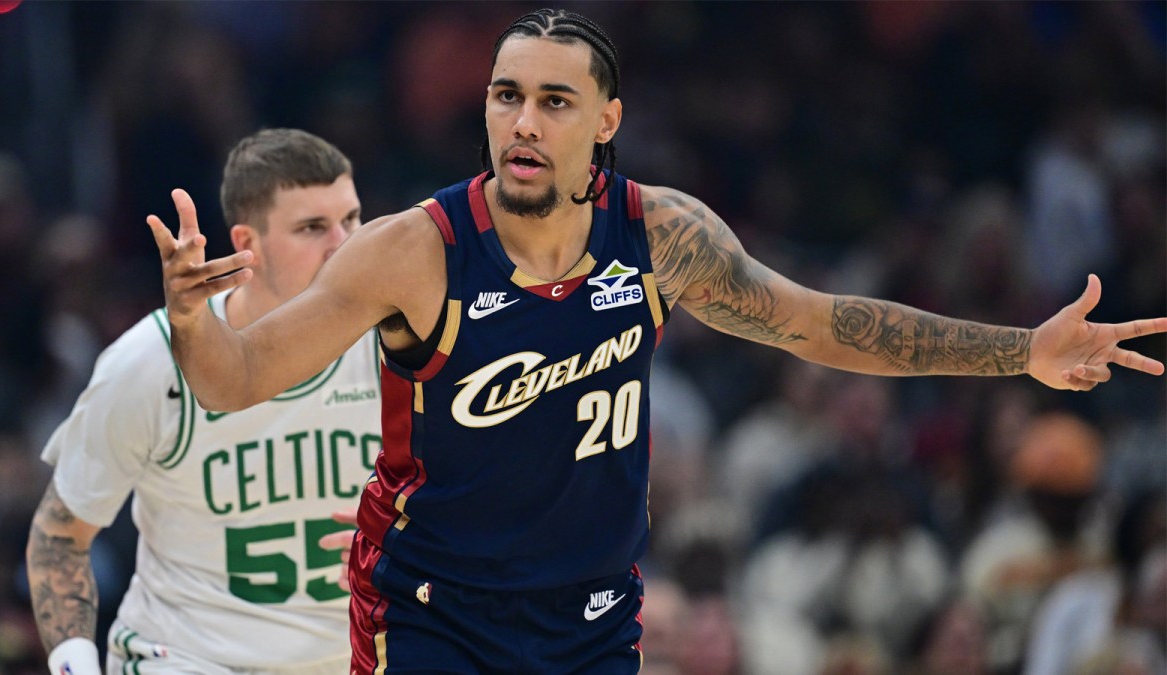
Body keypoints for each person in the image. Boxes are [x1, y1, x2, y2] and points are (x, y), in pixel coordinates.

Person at [147, 9, 1167, 674]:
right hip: (434, 608)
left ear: (607, 121)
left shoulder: (662, 235)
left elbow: (822, 325)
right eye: (508, 96)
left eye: (555, 101)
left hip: (592, 610)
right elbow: (236, 381)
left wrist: (1018, 352)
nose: (525, 123)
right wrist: (194, 320)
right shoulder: (413, 250)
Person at [28, 128, 381, 675]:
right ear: (248, 243)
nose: (343, 244)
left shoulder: (398, 347)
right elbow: (59, 536)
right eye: (313, 227)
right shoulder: (148, 361)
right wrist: (74, 666)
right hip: (190, 658)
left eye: (352, 220)